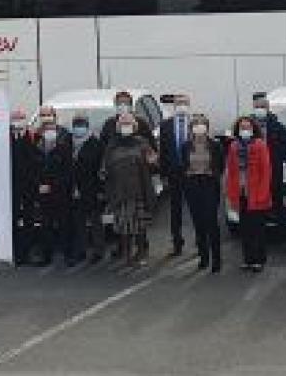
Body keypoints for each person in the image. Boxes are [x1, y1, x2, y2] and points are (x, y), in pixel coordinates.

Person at [100, 111, 157, 268]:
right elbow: (104, 166)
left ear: (134, 126)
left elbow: (154, 163)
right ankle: (126, 256)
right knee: (123, 226)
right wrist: (104, 173)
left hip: (139, 190)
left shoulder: (142, 142)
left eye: (129, 124)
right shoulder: (112, 144)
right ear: (118, 127)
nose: (126, 126)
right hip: (119, 191)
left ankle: (140, 253)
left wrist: (153, 161)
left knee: (139, 225)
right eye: (123, 124)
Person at [226, 114, 275, 272]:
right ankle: (248, 259)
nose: (245, 130)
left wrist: (262, 193)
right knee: (245, 229)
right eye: (242, 127)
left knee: (258, 229)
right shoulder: (234, 146)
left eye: (247, 127)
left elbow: (266, 171)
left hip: (257, 194)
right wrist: (231, 193)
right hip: (240, 192)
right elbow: (231, 171)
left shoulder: (260, 145)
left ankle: (259, 260)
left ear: (253, 129)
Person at [180, 112, 225, 274]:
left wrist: (212, 172)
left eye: (202, 125)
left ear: (206, 128)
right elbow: (183, 165)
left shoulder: (215, 145)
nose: (199, 128)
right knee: (198, 223)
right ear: (191, 129)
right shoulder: (186, 146)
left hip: (209, 184)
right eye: (195, 125)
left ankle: (217, 259)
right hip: (193, 185)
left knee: (211, 222)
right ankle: (204, 257)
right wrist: (187, 173)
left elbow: (220, 165)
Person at [29, 111, 72, 266]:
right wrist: (38, 185)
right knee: (45, 225)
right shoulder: (36, 147)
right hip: (42, 194)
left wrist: (52, 186)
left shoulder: (64, 148)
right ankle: (46, 255)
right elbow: (32, 170)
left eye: (52, 128)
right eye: (46, 129)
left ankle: (67, 255)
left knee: (63, 224)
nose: (49, 131)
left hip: (60, 193)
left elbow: (67, 172)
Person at [251, 92, 286, 234]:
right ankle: (260, 232)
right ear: (253, 107)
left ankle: (282, 234)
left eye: (263, 106)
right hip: (254, 173)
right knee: (258, 203)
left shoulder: (278, 127)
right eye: (257, 106)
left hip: (274, 171)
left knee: (278, 203)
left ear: (268, 107)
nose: (260, 108)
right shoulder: (247, 127)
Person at [157, 95, 195, 258]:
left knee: (195, 209)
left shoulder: (196, 125)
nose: (181, 106)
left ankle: (200, 243)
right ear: (174, 106)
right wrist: (163, 174)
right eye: (178, 104)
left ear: (189, 105)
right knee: (175, 210)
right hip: (174, 173)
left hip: (192, 173)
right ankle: (177, 243)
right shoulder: (165, 125)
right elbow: (163, 152)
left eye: (184, 103)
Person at [68, 114, 106, 264]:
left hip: (91, 189)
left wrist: (100, 190)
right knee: (79, 222)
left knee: (96, 222)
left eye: (81, 124)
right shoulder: (67, 142)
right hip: (73, 189)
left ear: (87, 126)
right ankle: (81, 250)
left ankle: (98, 251)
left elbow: (100, 169)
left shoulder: (96, 144)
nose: (79, 127)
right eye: (76, 124)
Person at [10, 110, 36, 265]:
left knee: (29, 219)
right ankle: (15, 251)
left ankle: (27, 252)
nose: (18, 121)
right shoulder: (5, 137)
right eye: (15, 119)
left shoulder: (33, 137)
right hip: (11, 186)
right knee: (12, 219)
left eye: (20, 118)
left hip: (29, 186)